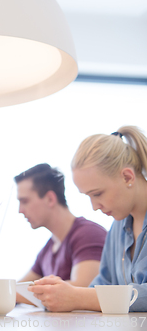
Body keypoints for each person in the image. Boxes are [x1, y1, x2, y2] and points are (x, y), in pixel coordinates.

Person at [29, 126, 147, 312]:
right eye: (88, 196)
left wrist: (78, 297)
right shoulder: (118, 227)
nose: (94, 206)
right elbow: (104, 283)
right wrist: (60, 293)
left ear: (127, 177)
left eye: (98, 193)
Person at [15, 164, 106, 303]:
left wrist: (7, 295)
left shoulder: (88, 234)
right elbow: (18, 288)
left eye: (25, 201)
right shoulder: (48, 249)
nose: (20, 210)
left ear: (50, 199)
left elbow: (83, 289)